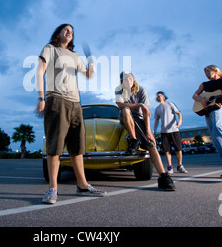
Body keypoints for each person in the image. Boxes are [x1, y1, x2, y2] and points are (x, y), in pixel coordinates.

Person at [36, 24, 107, 204]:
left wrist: (91, 67)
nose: (70, 32)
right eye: (66, 29)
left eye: (72, 31)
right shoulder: (50, 49)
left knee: (77, 148)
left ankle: (82, 185)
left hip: (76, 103)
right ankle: (52, 189)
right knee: (55, 147)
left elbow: (88, 75)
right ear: (58, 33)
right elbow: (39, 71)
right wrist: (41, 97)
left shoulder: (74, 56)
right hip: (56, 100)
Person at [115, 71, 176, 191]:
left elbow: (146, 112)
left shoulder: (141, 90)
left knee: (151, 144)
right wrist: (138, 104)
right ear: (122, 81)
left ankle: (164, 177)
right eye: (125, 79)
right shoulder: (119, 90)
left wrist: (148, 131)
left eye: (130, 79)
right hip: (125, 116)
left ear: (133, 79)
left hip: (139, 118)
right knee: (126, 110)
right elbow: (120, 105)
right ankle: (134, 140)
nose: (128, 81)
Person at [153, 91, 187, 174]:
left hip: (174, 130)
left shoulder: (170, 104)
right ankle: (170, 167)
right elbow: (156, 120)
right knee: (167, 150)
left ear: (164, 97)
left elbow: (179, 113)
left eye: (161, 95)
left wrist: (180, 121)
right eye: (158, 96)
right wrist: (154, 129)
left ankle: (180, 166)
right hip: (164, 132)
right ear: (157, 98)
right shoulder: (157, 108)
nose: (159, 96)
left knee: (178, 149)